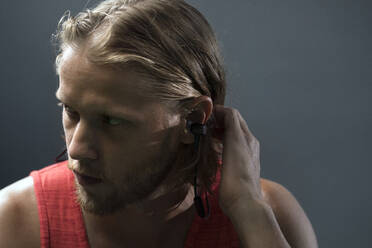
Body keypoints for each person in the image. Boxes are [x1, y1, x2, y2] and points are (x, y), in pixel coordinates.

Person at [0, 0, 318, 247]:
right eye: (71, 111)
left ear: (192, 118)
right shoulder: (14, 221)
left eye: (111, 120)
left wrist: (248, 210)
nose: (77, 148)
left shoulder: (269, 216)